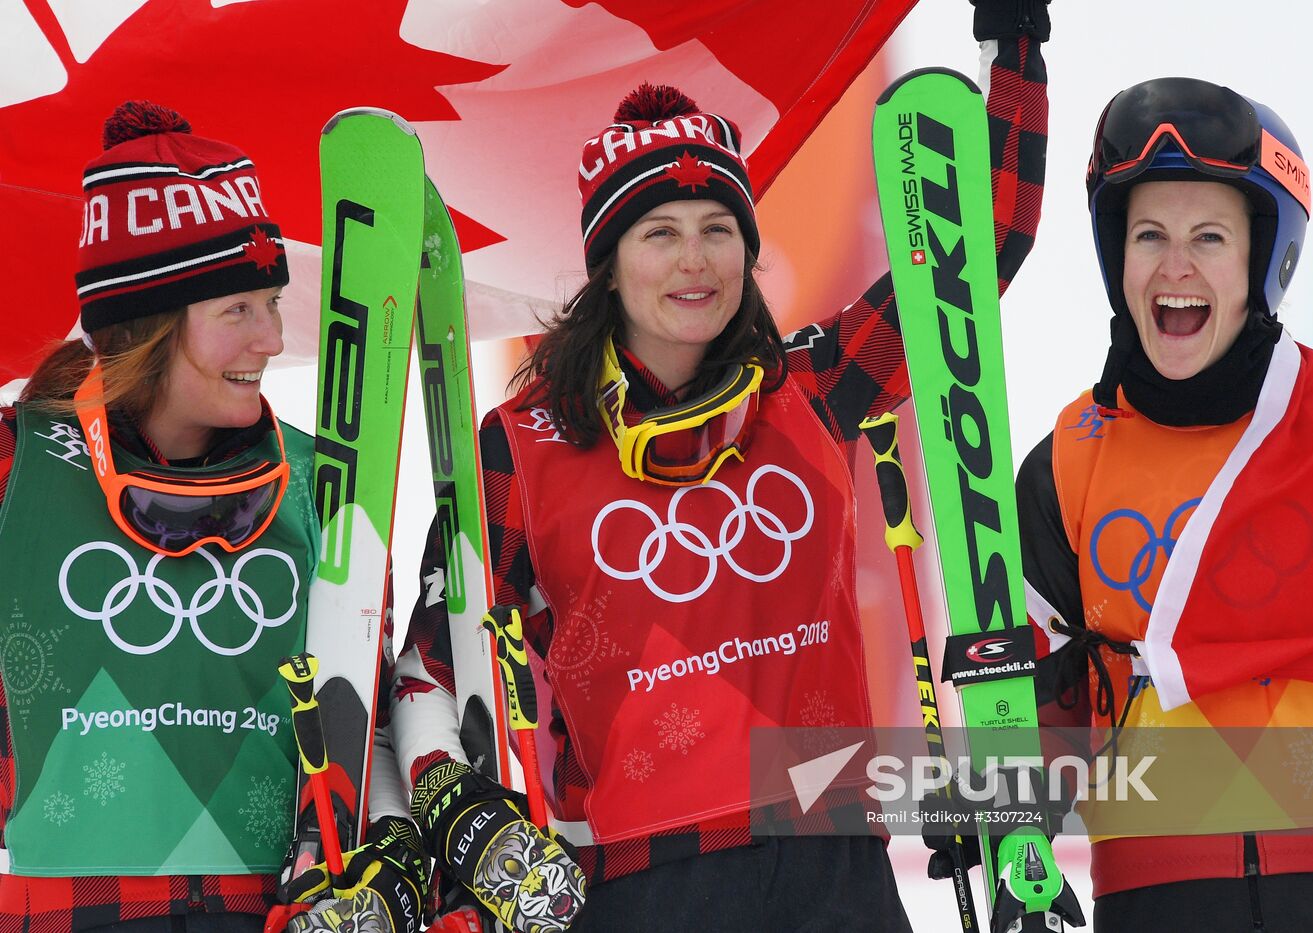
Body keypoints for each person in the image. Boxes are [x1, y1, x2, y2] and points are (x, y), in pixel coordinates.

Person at [390, 9, 1054, 929]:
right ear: (608, 267)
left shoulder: (811, 391)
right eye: (659, 232)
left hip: (837, 867)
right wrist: (457, 814)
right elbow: (426, 660)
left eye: (718, 228)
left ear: (749, 248)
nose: (695, 260)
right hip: (641, 881)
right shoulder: (523, 444)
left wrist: (1013, 45)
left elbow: (972, 259)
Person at [0, 101, 427, 933]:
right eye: (238, 310)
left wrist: (390, 856)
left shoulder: (317, 481)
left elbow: (362, 717)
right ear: (149, 327)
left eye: (271, 303)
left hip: (259, 911)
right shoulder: (17, 466)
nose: (271, 339)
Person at [1010, 77, 1313, 932]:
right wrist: (1008, 816)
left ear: (1266, 260)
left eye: (1209, 237)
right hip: (1152, 888)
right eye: (1148, 234)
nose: (1174, 265)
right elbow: (1043, 700)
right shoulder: (1069, 458)